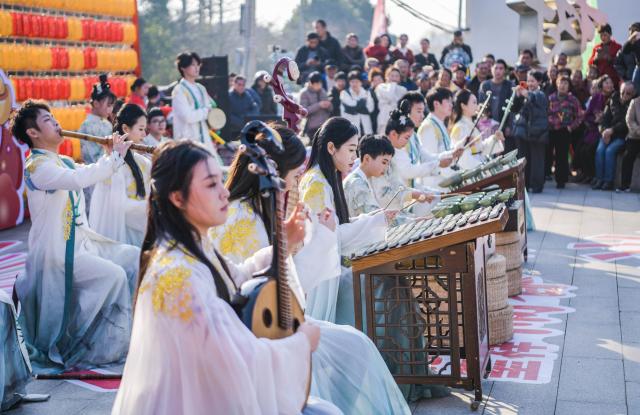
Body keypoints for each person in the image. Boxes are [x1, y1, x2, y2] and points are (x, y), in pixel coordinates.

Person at [112, 140, 340, 415]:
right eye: (211, 185)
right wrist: (301, 343)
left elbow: (239, 277)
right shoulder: (177, 275)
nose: (224, 193)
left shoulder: (192, 247)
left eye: (221, 181)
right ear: (177, 197)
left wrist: (284, 244)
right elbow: (237, 360)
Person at [214, 126, 411, 415]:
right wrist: (319, 239)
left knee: (357, 343)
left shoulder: (254, 210)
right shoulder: (244, 218)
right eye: (293, 178)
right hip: (260, 334)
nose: (294, 187)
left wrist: (298, 240)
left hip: (275, 321)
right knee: (354, 348)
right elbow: (269, 291)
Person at [10, 100, 139, 372]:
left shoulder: (64, 161)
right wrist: (113, 156)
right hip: (56, 253)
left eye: (54, 117)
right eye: (47, 119)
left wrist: (109, 155)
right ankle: (102, 347)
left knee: (135, 258)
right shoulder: (37, 167)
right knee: (113, 275)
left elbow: (87, 174)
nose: (56, 122)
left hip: (82, 243)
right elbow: (79, 180)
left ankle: (136, 333)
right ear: (32, 133)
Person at [299, 117, 391, 325]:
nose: (354, 157)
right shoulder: (316, 183)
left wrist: (371, 219)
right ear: (331, 147)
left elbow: (336, 227)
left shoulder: (324, 178)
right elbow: (328, 238)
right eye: (351, 150)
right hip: (320, 277)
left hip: (328, 272)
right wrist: (374, 221)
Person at [90, 104, 151, 247]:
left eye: (145, 129)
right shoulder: (112, 164)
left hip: (140, 226)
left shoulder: (142, 161)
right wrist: (150, 208)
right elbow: (119, 206)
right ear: (125, 129)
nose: (144, 134)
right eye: (141, 129)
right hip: (123, 231)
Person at [171, 52, 218, 155]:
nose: (197, 68)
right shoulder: (179, 90)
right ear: (183, 67)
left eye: (198, 65)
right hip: (186, 141)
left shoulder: (201, 88)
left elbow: (209, 112)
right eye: (193, 65)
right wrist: (206, 111)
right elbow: (188, 117)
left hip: (204, 139)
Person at [417, 88, 463, 189]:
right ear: (436, 104)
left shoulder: (439, 124)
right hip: (435, 186)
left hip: (445, 182)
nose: (451, 105)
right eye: (448, 101)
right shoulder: (428, 126)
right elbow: (430, 162)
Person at [593, 81, 635, 190]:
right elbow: (604, 119)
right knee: (600, 150)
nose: (624, 95)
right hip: (607, 133)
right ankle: (599, 179)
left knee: (610, 151)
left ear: (633, 93)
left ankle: (608, 181)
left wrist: (612, 130)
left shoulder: (633, 104)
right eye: (622, 92)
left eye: (628, 93)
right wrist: (604, 131)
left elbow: (626, 123)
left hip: (622, 136)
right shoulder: (613, 100)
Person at [511, 71, 548, 192]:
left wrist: (526, 94)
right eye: (528, 81)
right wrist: (517, 95)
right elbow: (514, 109)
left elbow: (536, 100)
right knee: (523, 159)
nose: (530, 83)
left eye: (533, 81)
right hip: (523, 132)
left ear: (539, 82)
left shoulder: (541, 94)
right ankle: (524, 184)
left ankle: (537, 185)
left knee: (537, 160)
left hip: (538, 132)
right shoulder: (525, 95)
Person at [450, 89, 505, 170]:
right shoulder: (459, 127)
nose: (477, 106)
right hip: (472, 172)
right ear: (463, 106)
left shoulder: (471, 124)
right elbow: (463, 158)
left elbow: (479, 148)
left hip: (479, 166)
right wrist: (482, 167)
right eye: (474, 102)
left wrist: (494, 139)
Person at [548, 75, 583, 189]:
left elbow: (579, 116)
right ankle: (546, 175)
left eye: (565, 84)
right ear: (557, 84)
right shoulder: (551, 98)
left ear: (569, 86)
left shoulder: (573, 100)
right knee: (548, 154)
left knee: (562, 156)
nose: (563, 86)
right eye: (561, 83)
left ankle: (561, 180)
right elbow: (545, 113)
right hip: (551, 130)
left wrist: (571, 127)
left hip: (564, 131)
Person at [479, 59, 516, 151]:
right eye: (496, 68)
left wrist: (509, 126)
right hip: (488, 127)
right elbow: (481, 106)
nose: (498, 71)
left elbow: (513, 108)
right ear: (491, 69)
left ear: (505, 71)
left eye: (501, 68)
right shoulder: (485, 85)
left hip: (505, 126)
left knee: (505, 153)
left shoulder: (510, 85)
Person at [79, 75, 116, 165]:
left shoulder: (107, 124)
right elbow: (91, 158)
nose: (111, 109)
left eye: (112, 106)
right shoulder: (87, 125)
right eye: (108, 105)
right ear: (96, 103)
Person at [300, 71, 333, 138]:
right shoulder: (304, 93)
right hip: (312, 127)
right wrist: (319, 105)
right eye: (316, 84)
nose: (319, 86)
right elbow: (303, 111)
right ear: (311, 83)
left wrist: (329, 105)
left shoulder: (323, 91)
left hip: (325, 125)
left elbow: (331, 109)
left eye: (320, 83)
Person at [375, 67, 407, 134]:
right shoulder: (381, 87)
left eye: (396, 76)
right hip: (384, 119)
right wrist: (393, 84)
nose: (394, 78)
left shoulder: (403, 89)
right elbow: (390, 96)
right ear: (387, 76)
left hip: (397, 120)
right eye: (392, 76)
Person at [620, 91, 640, 191]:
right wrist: (638, 130)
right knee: (628, 156)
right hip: (635, 136)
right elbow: (629, 119)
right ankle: (625, 185)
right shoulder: (635, 102)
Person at [621, 22, 640, 92]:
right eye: (631, 30)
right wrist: (631, 39)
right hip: (638, 67)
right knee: (635, 88)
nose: (634, 32)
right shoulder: (633, 41)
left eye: (636, 30)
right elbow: (625, 50)